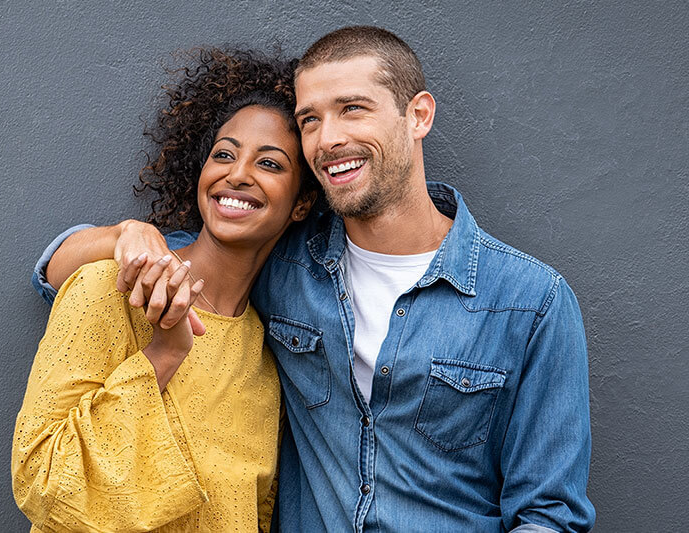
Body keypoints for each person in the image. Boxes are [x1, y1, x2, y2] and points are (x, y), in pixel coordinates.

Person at [33, 27, 595, 532]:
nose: (328, 139)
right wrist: (124, 233)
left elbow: (550, 514)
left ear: (418, 115)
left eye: (353, 109)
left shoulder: (530, 302)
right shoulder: (281, 265)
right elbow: (68, 266)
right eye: (310, 120)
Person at [12, 48, 318, 532]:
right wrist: (163, 355)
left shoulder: (264, 361)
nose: (237, 174)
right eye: (224, 154)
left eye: (270, 164)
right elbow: (40, 478)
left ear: (301, 203)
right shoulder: (111, 287)